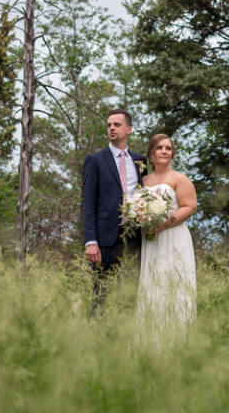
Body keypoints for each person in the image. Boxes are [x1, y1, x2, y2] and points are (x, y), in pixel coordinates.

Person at [82, 108, 147, 312]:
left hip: (134, 238)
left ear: (128, 129)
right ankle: (96, 340)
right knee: (101, 295)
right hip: (105, 240)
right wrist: (91, 242)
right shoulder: (95, 160)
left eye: (116, 124)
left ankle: (124, 341)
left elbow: (144, 196)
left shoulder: (140, 161)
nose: (111, 128)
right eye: (109, 124)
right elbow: (89, 203)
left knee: (130, 296)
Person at [138, 134, 198, 329]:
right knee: (151, 284)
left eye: (168, 148)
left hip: (173, 237)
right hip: (149, 240)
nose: (164, 151)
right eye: (159, 147)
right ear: (151, 153)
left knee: (173, 283)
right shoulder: (143, 180)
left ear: (172, 155)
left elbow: (190, 207)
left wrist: (161, 225)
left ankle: (177, 340)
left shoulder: (179, 178)